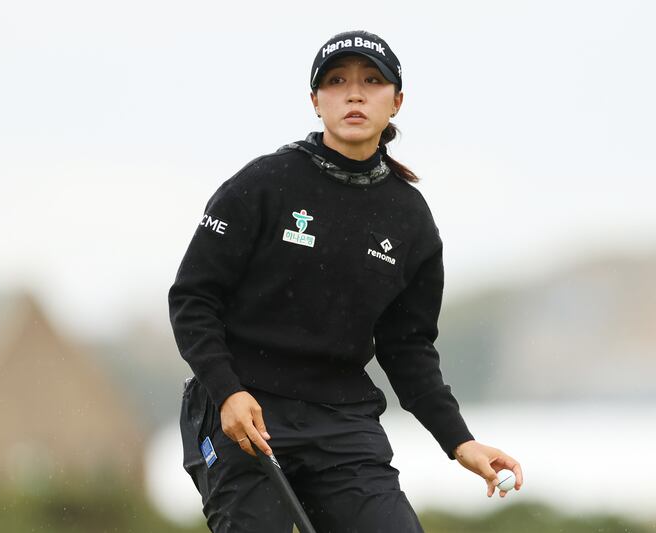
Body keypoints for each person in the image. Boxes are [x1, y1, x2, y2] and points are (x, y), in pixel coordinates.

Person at [168, 29, 524, 533]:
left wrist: (460, 442)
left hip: (342, 422)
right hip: (243, 411)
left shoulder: (410, 218)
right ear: (315, 101)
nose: (354, 93)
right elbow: (192, 299)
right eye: (336, 81)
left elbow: (409, 351)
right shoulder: (262, 184)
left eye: (372, 81)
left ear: (396, 101)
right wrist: (226, 390)